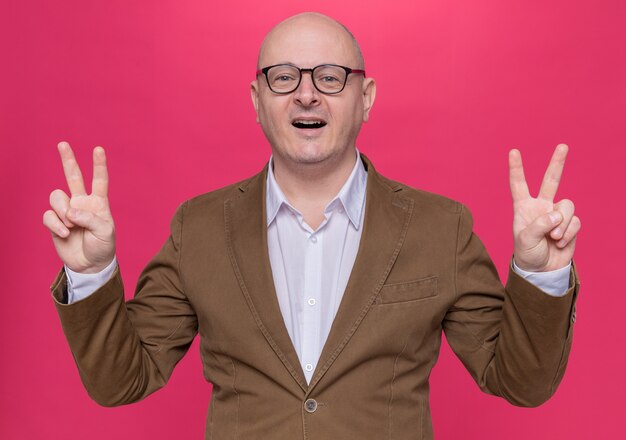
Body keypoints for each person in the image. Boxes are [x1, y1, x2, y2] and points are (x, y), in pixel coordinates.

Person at [44, 12, 581, 440]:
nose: (306, 94)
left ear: (365, 98)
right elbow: (121, 381)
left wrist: (539, 277)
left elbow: (520, 382)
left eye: (330, 76)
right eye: (284, 78)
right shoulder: (199, 227)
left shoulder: (440, 227)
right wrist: (92, 274)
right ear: (257, 102)